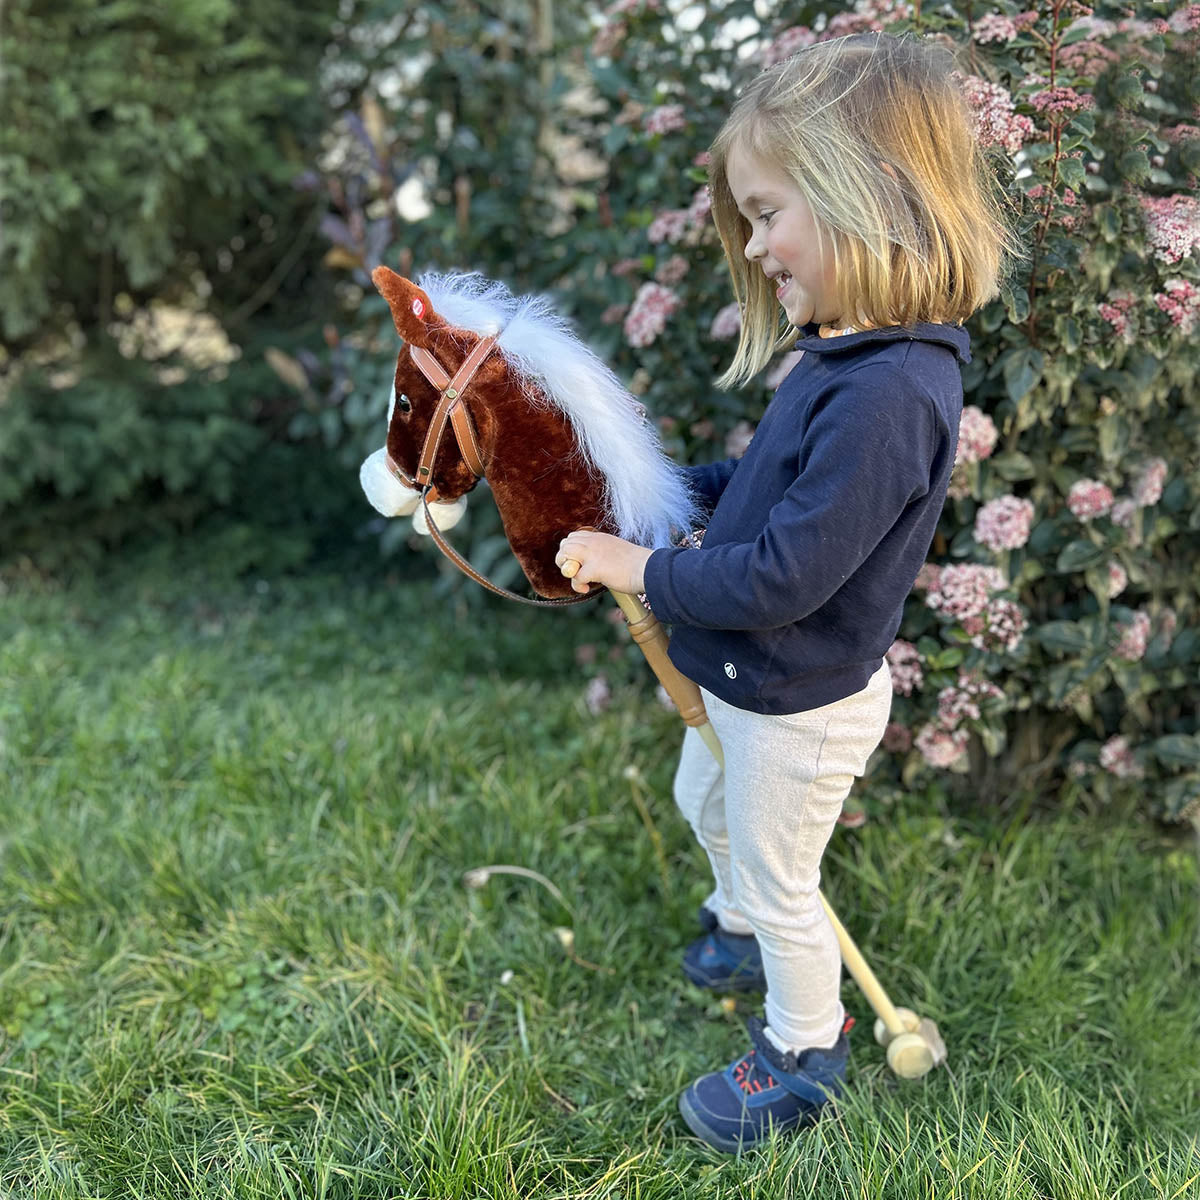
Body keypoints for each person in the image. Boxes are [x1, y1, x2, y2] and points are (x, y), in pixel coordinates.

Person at [556, 31, 1017, 1154]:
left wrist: (645, 571)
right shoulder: (843, 356)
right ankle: (740, 927)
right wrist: (659, 501)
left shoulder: (894, 392)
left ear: (869, 198)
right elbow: (760, 493)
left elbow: (781, 577)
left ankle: (803, 1052)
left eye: (768, 213)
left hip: (799, 702)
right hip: (753, 683)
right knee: (703, 804)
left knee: (782, 880)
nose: (754, 245)